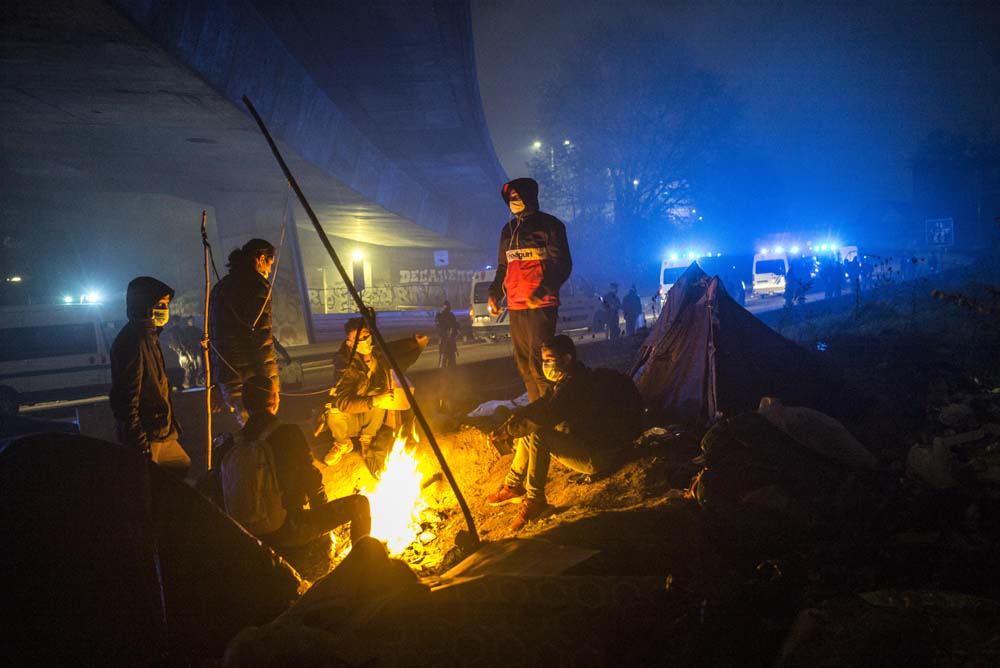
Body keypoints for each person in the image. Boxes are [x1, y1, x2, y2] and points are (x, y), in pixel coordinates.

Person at [485, 335, 641, 531]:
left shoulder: (576, 386)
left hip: (598, 457)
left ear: (567, 359)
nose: (546, 365)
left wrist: (509, 431)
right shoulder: (570, 379)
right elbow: (542, 405)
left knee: (539, 435)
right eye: (543, 361)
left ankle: (536, 501)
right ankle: (513, 486)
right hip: (589, 445)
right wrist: (514, 421)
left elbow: (549, 414)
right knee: (529, 430)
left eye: (550, 360)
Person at [232, 375, 370, 550]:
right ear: (275, 399)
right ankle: (362, 564)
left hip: (250, 537)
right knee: (360, 504)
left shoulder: (234, 443)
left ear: (245, 404)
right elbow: (312, 480)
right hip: (287, 529)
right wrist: (324, 531)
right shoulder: (288, 433)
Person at [488, 177, 572, 402]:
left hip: (541, 306)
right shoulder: (508, 230)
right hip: (516, 306)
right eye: (510, 197)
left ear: (529, 197)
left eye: (517, 196)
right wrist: (494, 294)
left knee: (541, 364)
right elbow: (503, 267)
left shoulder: (551, 226)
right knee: (524, 364)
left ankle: (551, 413)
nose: (513, 201)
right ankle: (537, 410)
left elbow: (563, 264)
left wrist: (543, 291)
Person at [319, 317, 426, 475]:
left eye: (366, 336)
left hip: (370, 417)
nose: (364, 341)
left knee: (379, 391)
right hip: (349, 420)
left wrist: (415, 342)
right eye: (359, 339)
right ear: (349, 343)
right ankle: (343, 443)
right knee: (334, 409)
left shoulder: (377, 353)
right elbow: (343, 403)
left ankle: (367, 439)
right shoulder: (346, 366)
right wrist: (374, 400)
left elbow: (394, 349)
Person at [109, 276, 191, 475]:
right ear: (143, 305)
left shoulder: (149, 336)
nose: (164, 309)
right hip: (148, 436)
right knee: (152, 490)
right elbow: (126, 399)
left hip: (163, 432)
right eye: (160, 304)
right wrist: (140, 443)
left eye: (165, 304)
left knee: (181, 467)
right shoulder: (133, 342)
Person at [209, 238, 279, 426]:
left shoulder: (219, 287)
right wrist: (270, 383)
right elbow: (261, 338)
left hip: (227, 377)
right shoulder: (257, 286)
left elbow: (211, 337)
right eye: (270, 264)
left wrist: (214, 383)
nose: (270, 271)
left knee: (248, 429)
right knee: (263, 430)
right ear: (261, 258)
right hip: (253, 378)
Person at [435, 301, 460, 369]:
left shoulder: (450, 315)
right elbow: (438, 328)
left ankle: (449, 373)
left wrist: (453, 334)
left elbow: (456, 326)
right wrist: (445, 334)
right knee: (443, 357)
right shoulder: (440, 316)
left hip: (449, 341)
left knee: (450, 359)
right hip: (444, 341)